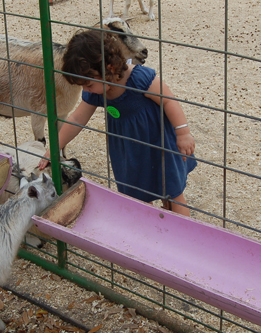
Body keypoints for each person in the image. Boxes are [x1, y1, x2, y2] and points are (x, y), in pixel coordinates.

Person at [38, 29, 197, 216]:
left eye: (88, 84)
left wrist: (183, 133)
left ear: (109, 69)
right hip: (130, 151)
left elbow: (168, 100)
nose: (85, 89)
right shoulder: (97, 89)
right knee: (136, 196)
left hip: (158, 145)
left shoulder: (140, 79)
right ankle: (151, 231)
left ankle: (183, 235)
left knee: (171, 192)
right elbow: (77, 118)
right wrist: (54, 148)